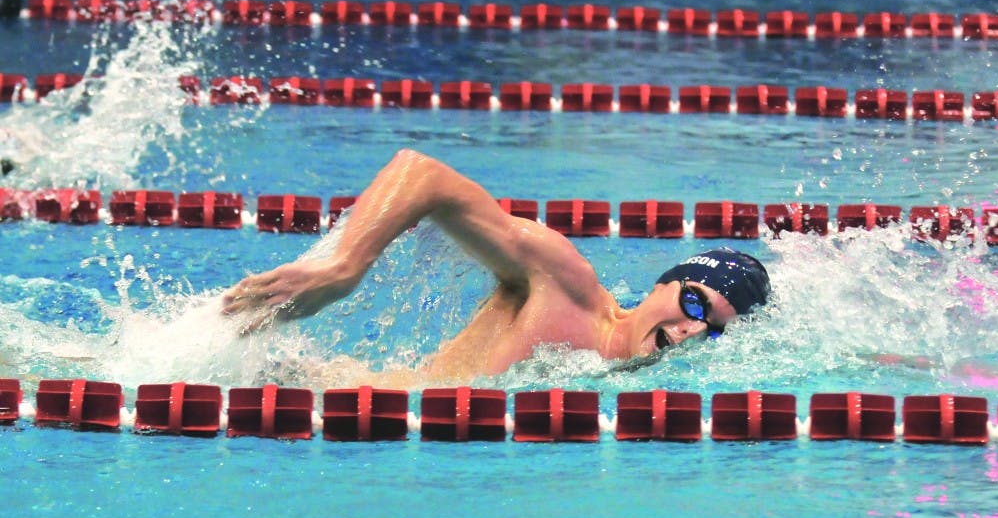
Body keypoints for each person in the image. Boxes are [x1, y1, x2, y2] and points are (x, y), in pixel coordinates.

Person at [222, 149, 770, 381]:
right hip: (322, 397)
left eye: (712, 330)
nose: (688, 332)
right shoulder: (568, 287)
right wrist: (344, 268)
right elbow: (424, 175)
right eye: (693, 304)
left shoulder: (651, 392)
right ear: (661, 286)